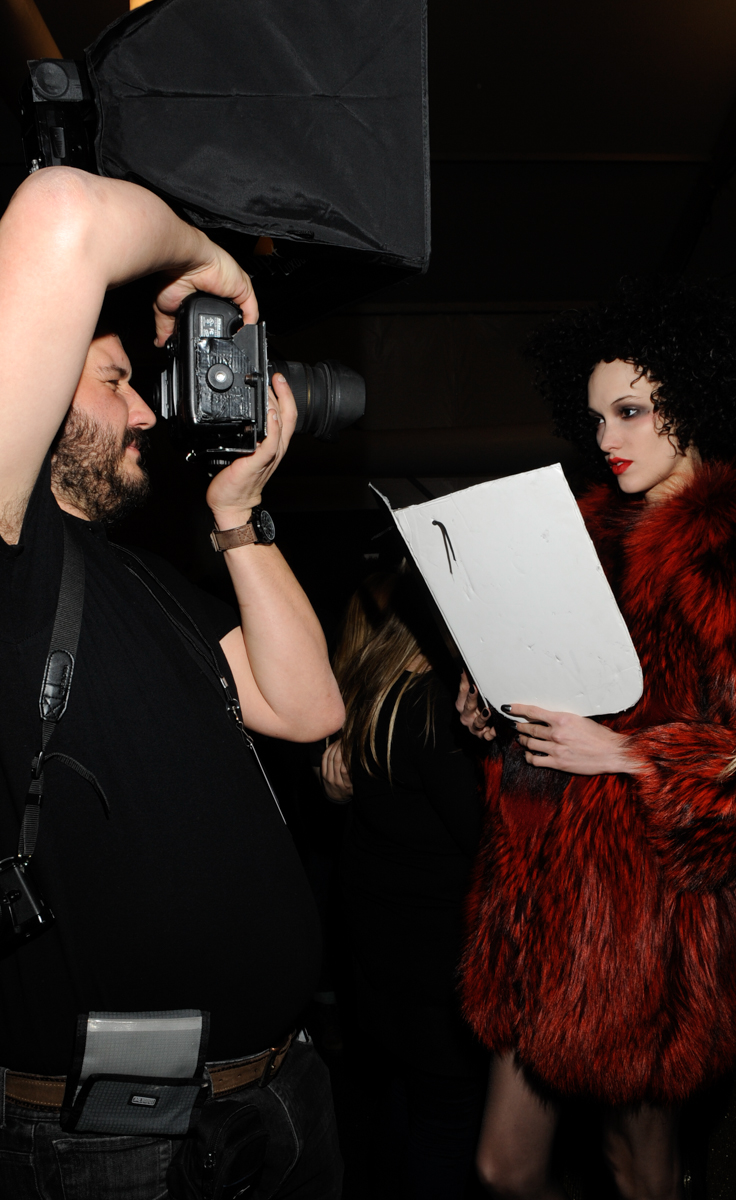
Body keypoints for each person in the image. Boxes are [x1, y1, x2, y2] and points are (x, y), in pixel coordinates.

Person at [0, 166, 345, 1198]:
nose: (148, 412)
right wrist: (210, 264)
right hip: (119, 1144)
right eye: (113, 381)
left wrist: (237, 516)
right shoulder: (15, 565)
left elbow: (306, 707)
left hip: (279, 1095)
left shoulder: (139, 576)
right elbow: (63, 213)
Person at [455, 278, 736, 1200]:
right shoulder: (576, 538)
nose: (607, 438)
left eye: (633, 411)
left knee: (640, 1171)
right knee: (502, 1167)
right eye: (597, 416)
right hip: (536, 913)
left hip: (652, 931)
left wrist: (630, 755)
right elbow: (548, 707)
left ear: (694, 404)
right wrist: (493, 711)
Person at [321, 567, 486, 1198]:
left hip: (384, 960)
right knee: (445, 1127)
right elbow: (484, 841)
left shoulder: (375, 690)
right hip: (435, 968)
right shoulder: (430, 707)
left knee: (407, 1105)